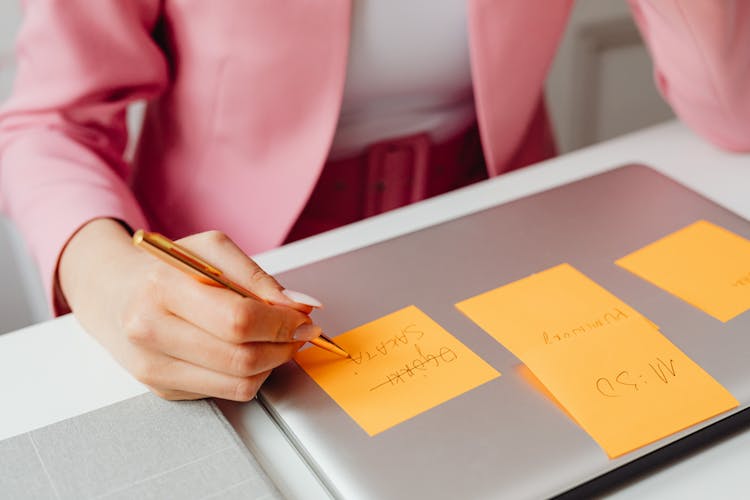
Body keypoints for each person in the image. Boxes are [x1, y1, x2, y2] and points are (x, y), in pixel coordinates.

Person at [1, 1, 748, 402]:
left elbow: (734, 114)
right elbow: (47, 122)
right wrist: (103, 272)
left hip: (502, 235)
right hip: (228, 277)